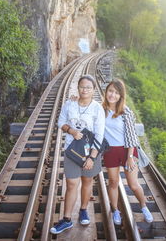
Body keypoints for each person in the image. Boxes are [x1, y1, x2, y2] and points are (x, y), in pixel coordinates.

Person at [50, 75, 105, 234]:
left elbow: (99, 135)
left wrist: (92, 157)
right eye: (82, 86)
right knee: (72, 184)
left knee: (87, 181)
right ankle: (67, 219)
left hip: (90, 152)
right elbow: (60, 122)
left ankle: (83, 209)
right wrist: (71, 130)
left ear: (93, 90)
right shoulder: (70, 104)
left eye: (88, 87)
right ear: (78, 87)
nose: (85, 90)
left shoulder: (97, 108)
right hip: (72, 151)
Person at [102, 79, 153, 225]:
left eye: (117, 93)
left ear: (121, 96)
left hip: (127, 150)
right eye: (110, 91)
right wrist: (74, 100)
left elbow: (131, 136)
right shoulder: (101, 110)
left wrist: (130, 157)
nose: (112, 95)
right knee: (113, 182)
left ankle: (144, 207)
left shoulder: (126, 111)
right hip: (110, 151)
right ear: (106, 92)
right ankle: (115, 211)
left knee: (133, 184)